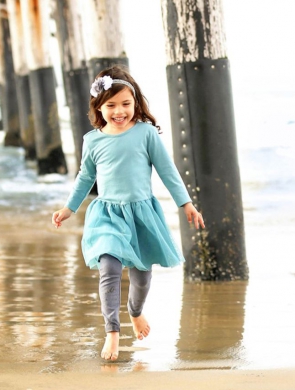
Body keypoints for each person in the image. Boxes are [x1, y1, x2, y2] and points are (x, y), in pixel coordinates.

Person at [51, 65, 205, 362]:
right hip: (107, 214)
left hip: (141, 214)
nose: (119, 111)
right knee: (109, 267)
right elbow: (85, 177)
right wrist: (69, 208)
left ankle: (135, 312)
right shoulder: (92, 140)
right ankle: (112, 332)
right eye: (111, 105)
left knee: (142, 278)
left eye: (125, 104)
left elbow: (167, 170)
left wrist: (185, 203)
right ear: (99, 107)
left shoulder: (146, 134)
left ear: (136, 103)